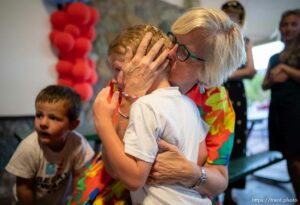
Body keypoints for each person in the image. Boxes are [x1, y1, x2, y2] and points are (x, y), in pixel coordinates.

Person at [112, 6, 245, 204]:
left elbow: (220, 180)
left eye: (183, 51)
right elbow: (114, 162)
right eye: (173, 39)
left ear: (208, 70)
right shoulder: (139, 75)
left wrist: (190, 172)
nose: (170, 51)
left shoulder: (215, 102)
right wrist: (130, 96)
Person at [94, 24, 211, 204]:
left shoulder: (144, 105)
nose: (114, 79)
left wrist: (103, 123)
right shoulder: (188, 103)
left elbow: (133, 180)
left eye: (118, 69)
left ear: (144, 65)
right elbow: (201, 155)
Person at [5, 85, 94, 205]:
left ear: (72, 125)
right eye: (39, 115)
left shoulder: (78, 144)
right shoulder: (29, 148)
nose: (43, 123)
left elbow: (79, 177)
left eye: (53, 117)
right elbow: (24, 187)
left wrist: (76, 202)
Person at [262, 9, 300, 203]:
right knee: (288, 157)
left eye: (294, 24)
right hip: (278, 112)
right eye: (285, 24)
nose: (288, 28)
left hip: (296, 113)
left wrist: (286, 69)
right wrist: (272, 79)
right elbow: (264, 84)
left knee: (297, 160)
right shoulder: (274, 57)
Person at [221, 1, 256, 204]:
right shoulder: (216, 38)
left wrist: (224, 74)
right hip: (217, 92)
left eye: (236, 15)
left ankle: (229, 193)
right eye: (228, 14)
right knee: (216, 138)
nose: (232, 18)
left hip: (236, 95)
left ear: (241, 18)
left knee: (236, 140)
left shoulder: (246, 40)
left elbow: (251, 70)